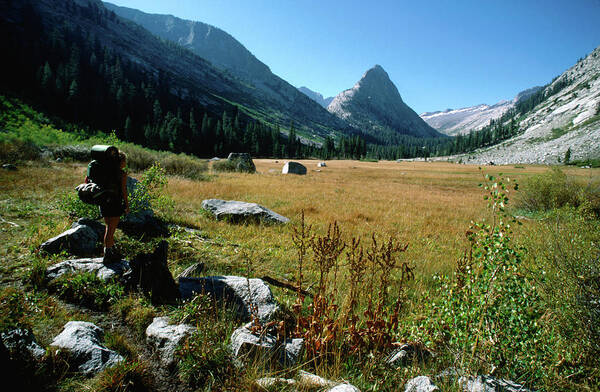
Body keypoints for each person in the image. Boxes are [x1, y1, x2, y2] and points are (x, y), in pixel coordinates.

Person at [86, 146, 130, 264]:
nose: (125, 163)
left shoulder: (103, 170)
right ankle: (107, 254)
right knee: (110, 230)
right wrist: (126, 205)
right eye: (125, 161)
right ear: (121, 161)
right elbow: (124, 191)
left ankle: (110, 252)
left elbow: (88, 180)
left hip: (104, 202)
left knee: (108, 227)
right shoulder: (121, 174)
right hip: (115, 203)